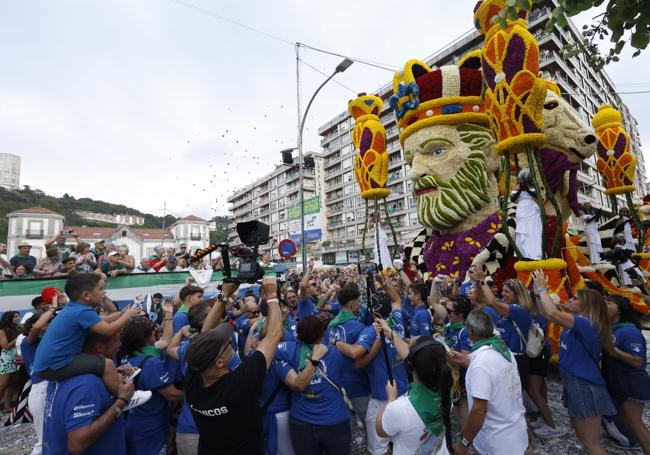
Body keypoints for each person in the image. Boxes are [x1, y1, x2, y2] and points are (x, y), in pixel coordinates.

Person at [184, 278, 283, 454]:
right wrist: (272, 295)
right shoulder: (239, 384)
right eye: (227, 344)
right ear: (219, 362)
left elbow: (205, 335)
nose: (229, 340)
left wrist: (224, 295)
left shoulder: (194, 380)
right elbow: (274, 335)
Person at [534, 271, 616, 455]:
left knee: (591, 441)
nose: (571, 299)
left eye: (576, 298)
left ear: (586, 305)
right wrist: (538, 294)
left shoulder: (586, 323)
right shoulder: (579, 321)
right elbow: (547, 314)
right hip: (575, 382)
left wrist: (542, 288)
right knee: (584, 438)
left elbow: (552, 311)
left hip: (584, 384)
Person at [31, 273, 144, 403]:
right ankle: (125, 397)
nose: (104, 292)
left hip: (48, 364)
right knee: (107, 364)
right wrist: (128, 316)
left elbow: (101, 320)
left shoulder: (75, 308)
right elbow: (109, 330)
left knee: (104, 365)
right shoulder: (82, 311)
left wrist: (123, 313)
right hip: (55, 364)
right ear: (86, 295)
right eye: (101, 289)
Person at [42, 333, 137, 455]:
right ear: (99, 347)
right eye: (115, 340)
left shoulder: (63, 374)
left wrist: (113, 374)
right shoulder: (87, 384)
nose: (120, 344)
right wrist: (121, 401)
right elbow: (77, 444)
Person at [449, 310, 528, 455]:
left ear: (470, 331)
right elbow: (493, 373)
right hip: (516, 433)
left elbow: (479, 410)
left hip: (496, 442)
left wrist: (464, 444)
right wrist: (467, 361)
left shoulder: (481, 364)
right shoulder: (503, 349)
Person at [276, 315, 352, 454]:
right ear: (323, 332)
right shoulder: (336, 352)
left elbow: (265, 349)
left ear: (298, 336)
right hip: (334, 422)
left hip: (302, 423)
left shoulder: (288, 350)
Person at [376, 336, 454, 455]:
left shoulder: (399, 409)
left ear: (410, 367)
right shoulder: (447, 391)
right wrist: (389, 331)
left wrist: (390, 399)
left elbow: (380, 431)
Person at [121, 315, 184, 455]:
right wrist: (194, 394)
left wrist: (167, 315)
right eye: (153, 330)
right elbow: (171, 394)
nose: (155, 333)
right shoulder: (151, 362)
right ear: (147, 335)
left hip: (133, 421)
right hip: (151, 426)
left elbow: (166, 341)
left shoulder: (128, 357)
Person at [602, 295, 650, 452]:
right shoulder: (613, 328)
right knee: (631, 423)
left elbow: (637, 361)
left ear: (619, 310)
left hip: (632, 384)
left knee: (636, 425)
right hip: (621, 382)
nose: (605, 305)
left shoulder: (629, 331)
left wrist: (614, 351)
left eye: (609, 303)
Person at [325, 286, 370, 434]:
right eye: (358, 300)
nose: (360, 303)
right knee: (369, 423)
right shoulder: (357, 327)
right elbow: (362, 356)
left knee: (347, 427)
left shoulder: (331, 325)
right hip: (357, 383)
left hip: (337, 382)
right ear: (352, 304)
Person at [511, 168, 543, 260]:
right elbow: (512, 199)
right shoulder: (516, 187)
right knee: (522, 232)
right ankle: (524, 254)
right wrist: (521, 189)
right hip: (521, 210)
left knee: (534, 232)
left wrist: (528, 190)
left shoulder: (534, 186)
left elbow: (538, 198)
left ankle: (535, 255)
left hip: (532, 210)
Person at [0, 311, 20, 413]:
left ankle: (6, 406)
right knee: (2, 385)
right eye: (15, 317)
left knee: (12, 383)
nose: (18, 318)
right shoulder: (2, 331)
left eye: (18, 316)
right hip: (6, 360)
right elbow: (5, 346)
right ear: (9, 319)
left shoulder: (15, 329)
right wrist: (16, 339)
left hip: (15, 359)